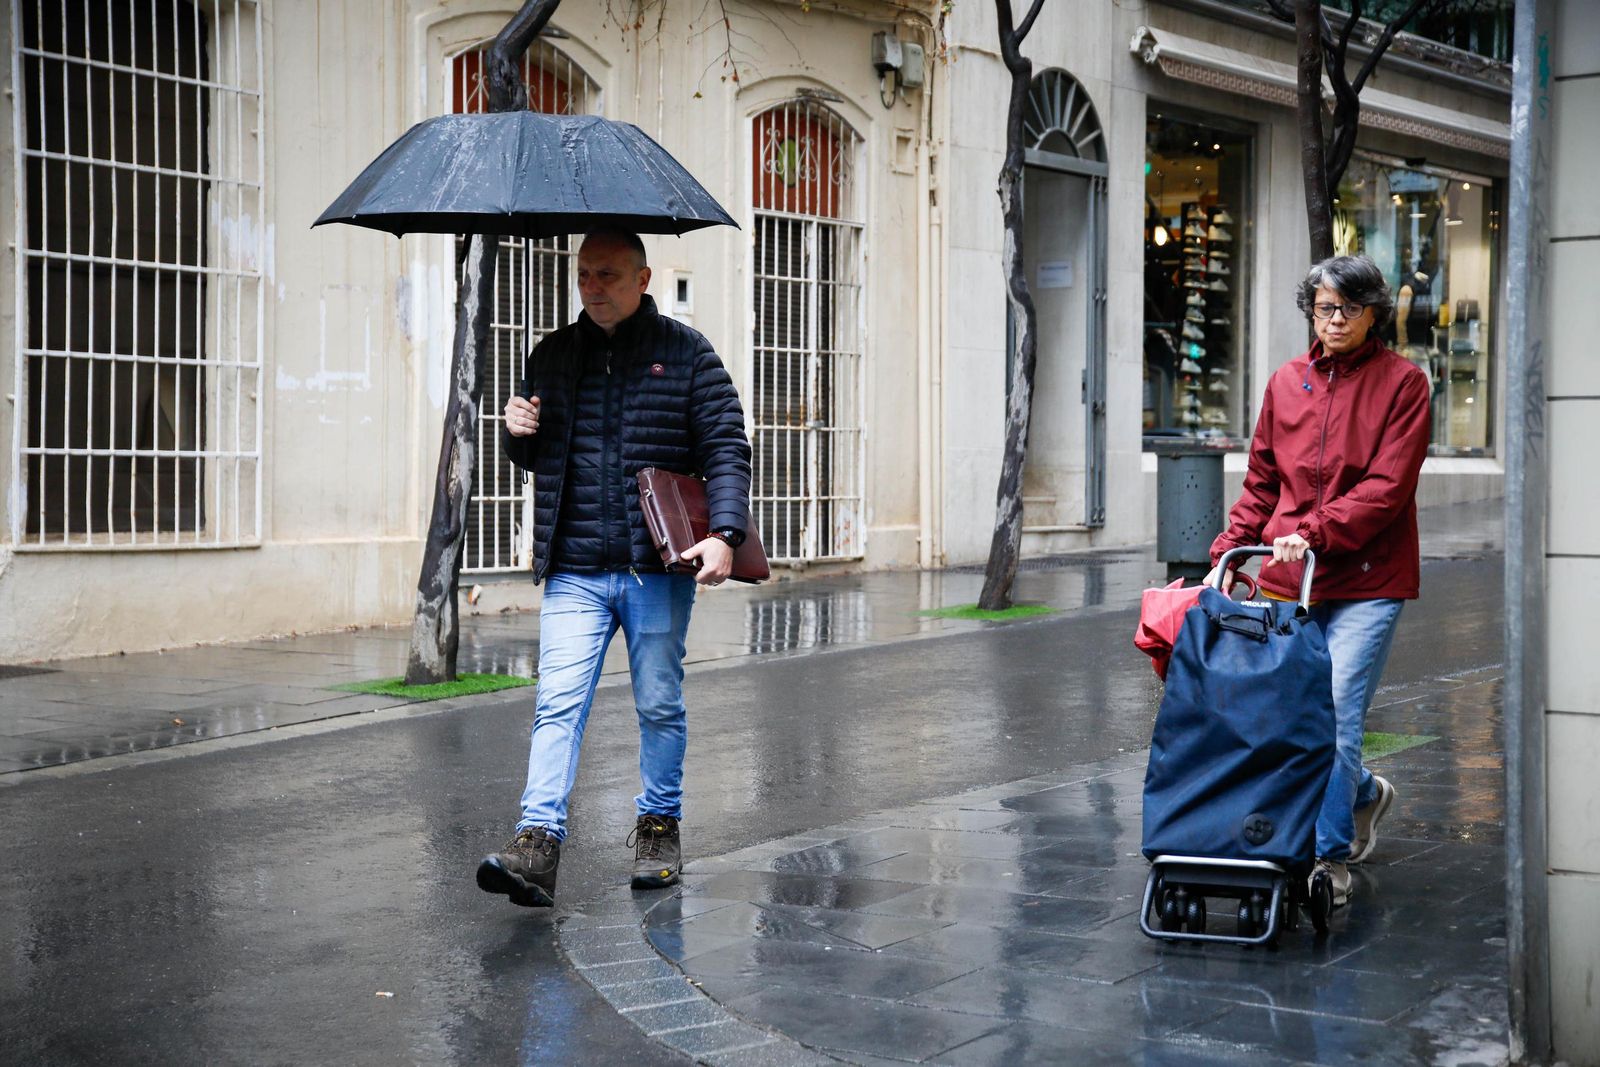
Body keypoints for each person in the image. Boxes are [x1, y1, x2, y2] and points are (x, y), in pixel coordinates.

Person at [476, 229, 752, 908]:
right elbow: (538, 458)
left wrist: (723, 534)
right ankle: (536, 843)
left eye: (606, 275)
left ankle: (659, 828)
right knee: (557, 704)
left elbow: (725, 445)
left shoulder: (686, 354)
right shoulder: (551, 355)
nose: (592, 287)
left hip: (655, 568)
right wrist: (518, 433)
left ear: (643, 278)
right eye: (584, 276)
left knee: (658, 702)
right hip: (574, 564)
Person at [1206, 254, 1431, 908]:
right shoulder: (1286, 382)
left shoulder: (1404, 384)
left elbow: (1387, 489)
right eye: (1323, 308)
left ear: (1373, 313)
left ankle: (1328, 856)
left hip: (1368, 577)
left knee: (1333, 709)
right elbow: (1261, 485)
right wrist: (1227, 554)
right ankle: (1362, 792)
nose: (1333, 320)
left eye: (1347, 309)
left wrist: (1315, 529)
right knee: (1288, 713)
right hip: (1287, 576)